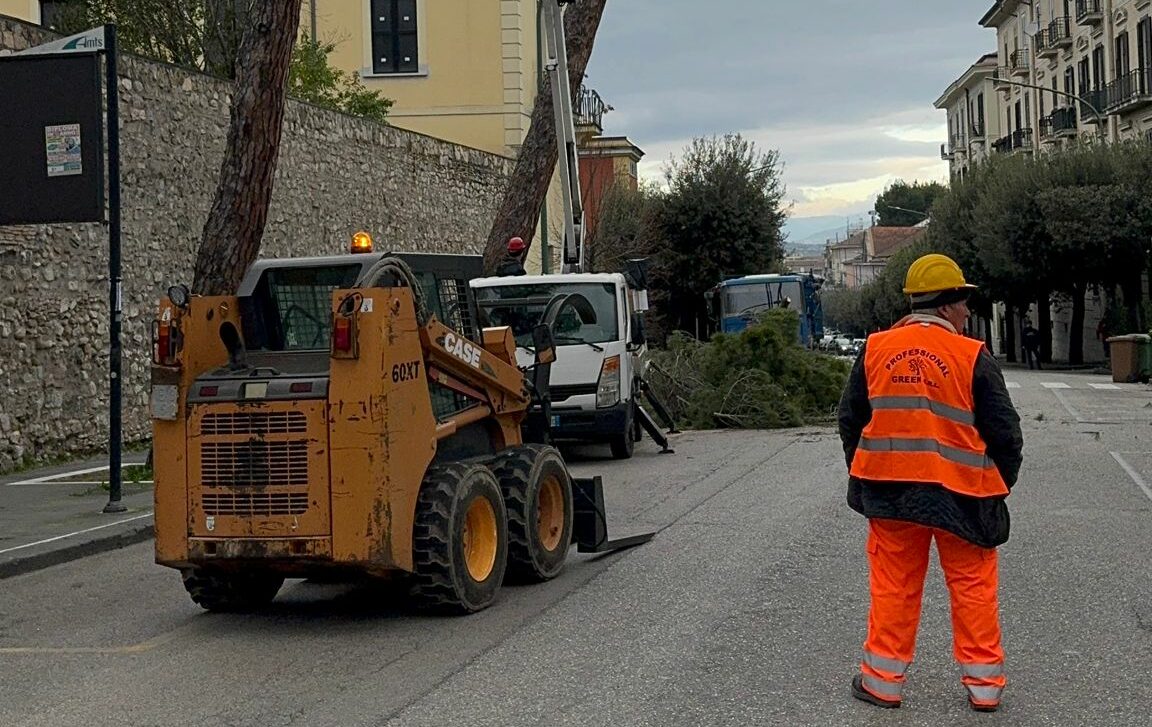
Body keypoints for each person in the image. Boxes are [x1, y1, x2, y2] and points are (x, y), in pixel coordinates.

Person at [838, 253, 1023, 713]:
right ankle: (984, 688)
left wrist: (865, 472)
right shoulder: (971, 355)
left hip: (891, 493)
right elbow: (1006, 433)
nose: (966, 312)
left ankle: (883, 681)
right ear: (945, 306)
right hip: (963, 494)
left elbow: (850, 419)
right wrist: (997, 483)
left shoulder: (877, 349)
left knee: (893, 585)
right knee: (973, 586)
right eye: (962, 302)